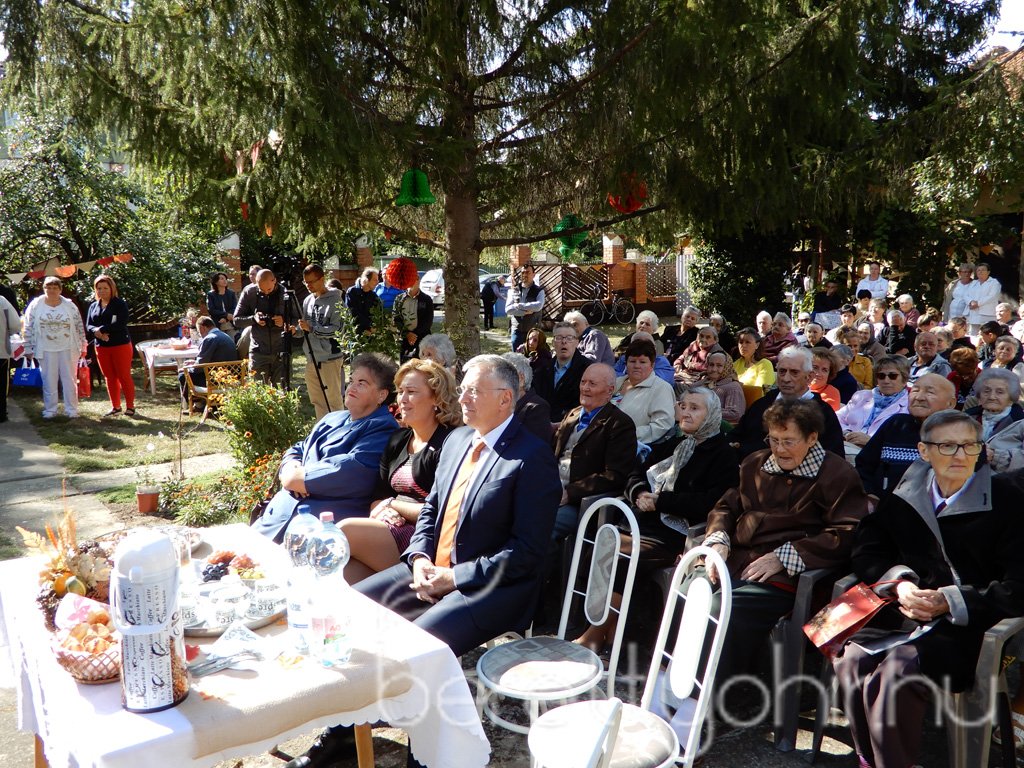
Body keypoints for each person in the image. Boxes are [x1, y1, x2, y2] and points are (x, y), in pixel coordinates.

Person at [833, 410, 1024, 768]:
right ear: (923, 451)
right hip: (907, 610)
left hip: (970, 624)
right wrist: (900, 584)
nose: (960, 455)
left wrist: (949, 601)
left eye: (970, 445)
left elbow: (1019, 585)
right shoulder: (908, 490)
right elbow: (870, 546)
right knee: (853, 659)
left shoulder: (1008, 499)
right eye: (947, 446)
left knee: (896, 673)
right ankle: (869, 758)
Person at [356, 354, 560, 656]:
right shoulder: (457, 440)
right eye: (463, 389)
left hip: (489, 587)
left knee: (412, 649)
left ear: (505, 399)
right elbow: (432, 508)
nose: (462, 398)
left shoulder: (531, 457)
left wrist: (455, 577)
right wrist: (419, 557)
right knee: (353, 607)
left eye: (473, 391)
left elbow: (526, 552)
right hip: (432, 570)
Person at [696, 398, 869, 692]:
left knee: (722, 608)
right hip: (737, 559)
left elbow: (847, 532)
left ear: (812, 438)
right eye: (774, 440)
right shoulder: (755, 463)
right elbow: (726, 506)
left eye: (789, 441)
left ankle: (705, 696)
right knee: (690, 592)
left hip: (788, 576)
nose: (779, 449)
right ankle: (672, 682)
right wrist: (718, 540)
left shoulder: (836, 474)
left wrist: (785, 557)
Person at [574, 386, 740, 651]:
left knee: (623, 558)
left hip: (677, 533)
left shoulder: (723, 455)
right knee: (599, 546)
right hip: (642, 523)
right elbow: (634, 474)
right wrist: (640, 493)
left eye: (694, 408)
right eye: (683, 406)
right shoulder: (674, 444)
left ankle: (598, 633)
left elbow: (711, 502)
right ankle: (608, 634)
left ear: (712, 415)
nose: (685, 413)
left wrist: (661, 501)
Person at [251, 353, 400, 541]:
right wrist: (290, 466)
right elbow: (299, 448)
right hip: (275, 520)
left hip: (319, 534)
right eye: (352, 380)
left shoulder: (383, 429)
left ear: (382, 394)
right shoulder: (333, 418)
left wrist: (300, 477)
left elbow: (348, 471)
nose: (352, 387)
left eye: (362, 383)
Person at [339, 359, 460, 583]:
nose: (402, 399)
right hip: (387, 527)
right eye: (401, 391)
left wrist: (393, 505)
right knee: (344, 576)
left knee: (345, 531)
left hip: (423, 539)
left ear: (436, 398)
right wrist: (385, 508)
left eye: (411, 392)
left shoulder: (450, 442)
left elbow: (443, 511)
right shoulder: (398, 439)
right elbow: (377, 498)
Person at [550, 363, 637, 541]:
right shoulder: (573, 414)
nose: (585, 388)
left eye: (592, 384)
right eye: (583, 382)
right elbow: (551, 454)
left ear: (609, 391)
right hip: (550, 490)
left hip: (581, 503)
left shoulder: (620, 424)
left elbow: (615, 475)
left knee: (543, 526)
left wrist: (570, 493)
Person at [730, 345, 845, 458]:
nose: (786, 378)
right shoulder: (762, 404)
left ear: (809, 377)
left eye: (794, 372)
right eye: (782, 371)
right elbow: (736, 436)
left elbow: (833, 459)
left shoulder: (824, 413)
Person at [856, 373, 957, 498]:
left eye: (930, 392)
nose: (919, 397)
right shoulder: (896, 424)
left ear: (950, 403)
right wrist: (869, 494)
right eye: (915, 390)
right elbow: (864, 465)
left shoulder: (960, 435)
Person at [23, 277, 87, 419]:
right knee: (48, 380)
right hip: (45, 348)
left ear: (60, 289)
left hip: (68, 347)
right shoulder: (35, 305)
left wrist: (83, 344)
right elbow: (27, 327)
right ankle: (50, 410)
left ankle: (71, 410)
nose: (51, 290)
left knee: (69, 379)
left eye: (55, 288)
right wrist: (27, 347)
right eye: (48, 287)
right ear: (44, 289)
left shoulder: (70, 306)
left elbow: (79, 326)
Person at [294, 265, 345, 419]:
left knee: (334, 401)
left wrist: (312, 328)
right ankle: (322, 429)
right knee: (317, 401)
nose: (308, 285)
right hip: (311, 357)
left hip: (330, 358)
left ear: (322, 279)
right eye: (305, 282)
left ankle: (338, 430)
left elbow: (337, 330)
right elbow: (305, 327)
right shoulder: (308, 300)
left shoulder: (336, 300)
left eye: (311, 282)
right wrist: (295, 330)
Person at [838, 355, 910, 457]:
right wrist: (847, 433)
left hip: (878, 455)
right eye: (881, 376)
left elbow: (903, 441)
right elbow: (837, 418)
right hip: (847, 445)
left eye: (892, 376)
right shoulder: (861, 396)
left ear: (904, 380)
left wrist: (872, 441)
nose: (886, 380)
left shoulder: (909, 406)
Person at [86, 275, 136, 417]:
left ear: (112, 288)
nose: (102, 291)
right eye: (99, 288)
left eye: (105, 288)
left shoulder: (119, 304)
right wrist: (96, 332)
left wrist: (101, 329)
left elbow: (121, 323)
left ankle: (130, 406)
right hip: (101, 346)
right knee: (109, 376)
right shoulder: (93, 306)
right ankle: (115, 407)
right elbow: (89, 325)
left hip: (120, 345)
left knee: (124, 375)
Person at [612, 338, 676, 445]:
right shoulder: (616, 382)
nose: (637, 366)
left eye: (642, 362)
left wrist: (626, 435)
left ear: (652, 365)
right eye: (632, 361)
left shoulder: (661, 388)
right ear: (626, 364)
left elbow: (662, 424)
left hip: (629, 444)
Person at [234, 268, 288, 386]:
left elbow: (298, 319)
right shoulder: (249, 292)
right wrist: (253, 319)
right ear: (256, 282)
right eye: (261, 290)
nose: (266, 293)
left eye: (269, 289)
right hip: (258, 351)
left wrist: (284, 321)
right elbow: (236, 320)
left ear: (274, 281)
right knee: (258, 391)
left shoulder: (285, 293)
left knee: (282, 391)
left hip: (281, 350)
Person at [533, 321, 589, 423]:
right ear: (553, 343)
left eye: (569, 338)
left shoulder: (587, 369)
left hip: (571, 424)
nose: (564, 342)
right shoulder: (542, 369)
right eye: (559, 338)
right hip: (542, 423)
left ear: (577, 342)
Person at [178, 316, 239, 407]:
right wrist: (194, 363)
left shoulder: (209, 338)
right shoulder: (226, 336)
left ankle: (198, 404)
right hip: (230, 376)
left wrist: (187, 368)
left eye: (199, 332)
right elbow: (211, 359)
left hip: (216, 379)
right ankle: (204, 403)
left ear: (203, 328)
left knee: (183, 375)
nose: (200, 335)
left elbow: (199, 366)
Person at [501, 352, 553, 442]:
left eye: (503, 376)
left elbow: (535, 447)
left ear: (520, 379)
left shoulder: (537, 408)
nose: (497, 381)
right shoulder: (501, 403)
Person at [965, 367, 1024, 441]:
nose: (991, 397)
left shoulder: (1020, 421)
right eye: (986, 391)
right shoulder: (967, 417)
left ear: (1011, 398)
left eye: (1000, 392)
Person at [505, 263, 545, 352]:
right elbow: (508, 309)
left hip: (533, 332)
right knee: (516, 356)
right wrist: (524, 312)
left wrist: (519, 305)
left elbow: (538, 306)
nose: (525, 275)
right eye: (523, 272)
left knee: (532, 357)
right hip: (517, 330)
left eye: (528, 272)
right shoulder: (514, 290)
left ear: (534, 274)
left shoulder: (539, 291)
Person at [393, 278, 434, 361]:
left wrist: (414, 334)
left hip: (422, 339)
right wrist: (407, 334)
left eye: (413, 280)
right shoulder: (399, 299)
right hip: (404, 339)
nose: (411, 282)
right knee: (405, 365)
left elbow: (428, 321)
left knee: (421, 365)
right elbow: (396, 318)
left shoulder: (426, 299)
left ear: (418, 281)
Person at [733, 327, 776, 406]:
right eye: (741, 342)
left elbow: (759, 392)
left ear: (757, 345)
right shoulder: (736, 364)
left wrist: (737, 386)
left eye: (747, 342)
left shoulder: (765, 364)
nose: (743, 345)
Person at [704, 351, 746, 425]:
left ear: (727, 367)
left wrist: (705, 411)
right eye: (711, 365)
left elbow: (735, 414)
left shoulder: (733, 387)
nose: (714, 369)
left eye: (719, 366)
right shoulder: (704, 381)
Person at [0, 294, 20, 422]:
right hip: (1, 349)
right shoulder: (2, 301)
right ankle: (1, 413)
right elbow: (15, 324)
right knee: (1, 382)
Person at [965, 262, 1001, 334]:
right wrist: (971, 302)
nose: (980, 272)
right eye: (978, 270)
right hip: (973, 313)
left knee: (987, 333)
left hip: (987, 314)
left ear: (988, 272)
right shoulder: (973, 283)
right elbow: (965, 295)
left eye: (983, 270)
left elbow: (992, 296)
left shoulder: (994, 283)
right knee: (973, 334)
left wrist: (978, 303)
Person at [345, 268, 382, 335]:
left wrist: (374, 328)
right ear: (366, 280)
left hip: (371, 334)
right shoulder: (352, 292)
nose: (377, 283)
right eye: (375, 280)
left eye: (378, 280)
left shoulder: (374, 296)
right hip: (355, 333)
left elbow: (378, 314)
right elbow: (352, 312)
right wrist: (366, 327)